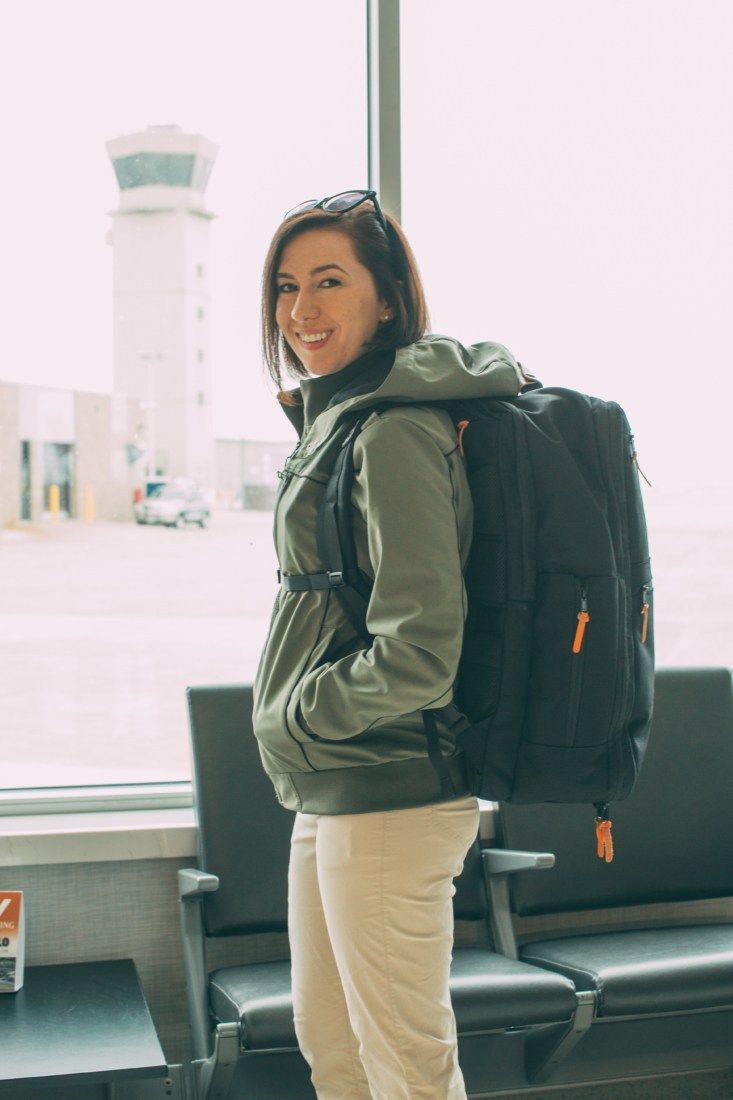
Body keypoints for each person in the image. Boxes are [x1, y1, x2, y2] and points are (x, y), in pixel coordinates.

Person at [252, 190, 524, 1099]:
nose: (301, 311)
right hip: (337, 785)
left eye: (330, 282)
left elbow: (418, 649)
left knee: (403, 1067)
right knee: (334, 1051)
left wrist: (299, 712)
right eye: (288, 287)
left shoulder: (397, 428)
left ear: (388, 300)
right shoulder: (341, 418)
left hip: (392, 790)